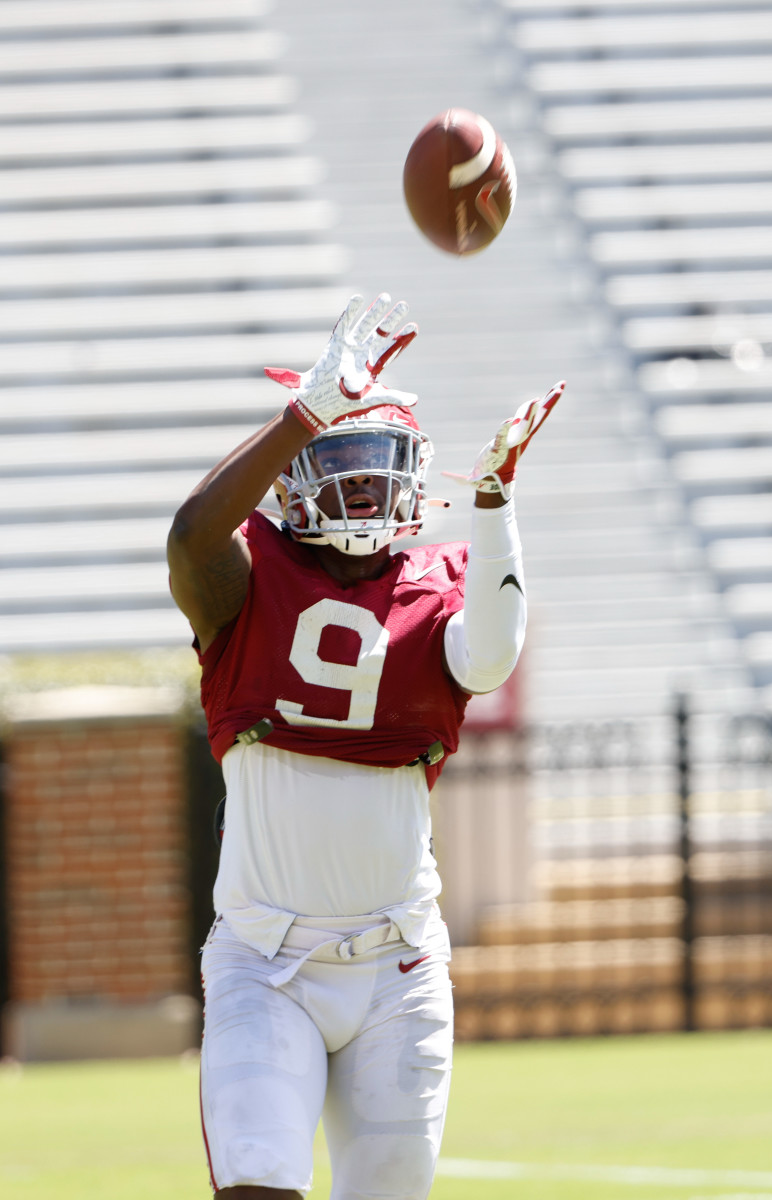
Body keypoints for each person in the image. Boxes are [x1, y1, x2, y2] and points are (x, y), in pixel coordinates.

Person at [167, 292, 564, 1200]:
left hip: (400, 968)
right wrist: (306, 408)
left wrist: (496, 499)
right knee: (257, 1186)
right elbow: (191, 535)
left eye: (374, 463)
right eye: (337, 462)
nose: (359, 484)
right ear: (294, 474)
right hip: (266, 964)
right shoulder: (248, 577)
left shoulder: (435, 583)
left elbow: (494, 655)